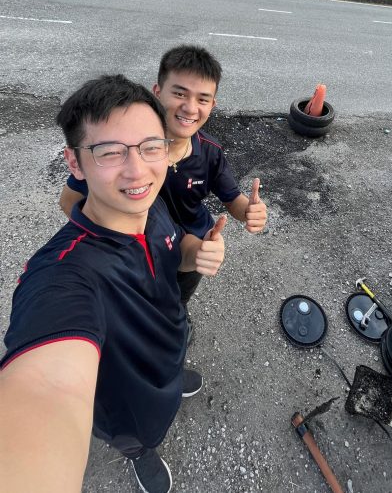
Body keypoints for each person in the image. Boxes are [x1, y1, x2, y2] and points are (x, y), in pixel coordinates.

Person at [0, 75, 227, 493]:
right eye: (109, 152)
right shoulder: (64, 276)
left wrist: (197, 252)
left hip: (166, 353)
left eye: (150, 147)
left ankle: (173, 380)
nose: (137, 170)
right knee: (139, 432)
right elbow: (45, 388)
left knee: (172, 374)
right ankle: (140, 452)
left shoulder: (151, 205)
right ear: (74, 163)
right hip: (128, 402)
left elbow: (175, 248)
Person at [59, 46, 267, 339]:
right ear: (157, 91)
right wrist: (106, 236)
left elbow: (232, 198)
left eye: (202, 99)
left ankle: (177, 318)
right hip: (135, 249)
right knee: (136, 304)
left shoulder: (211, 152)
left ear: (212, 105)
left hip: (192, 245)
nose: (190, 108)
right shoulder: (125, 152)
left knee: (177, 297)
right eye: (180, 93)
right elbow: (69, 200)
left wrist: (249, 212)